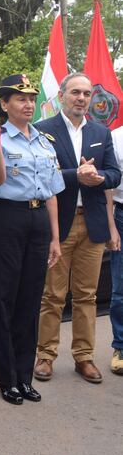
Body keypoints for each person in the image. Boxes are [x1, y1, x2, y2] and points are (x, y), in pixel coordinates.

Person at [0, 74, 64, 405]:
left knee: (30, 299)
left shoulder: (44, 141)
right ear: (4, 104)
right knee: (4, 299)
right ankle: (7, 377)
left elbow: (53, 191)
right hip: (6, 218)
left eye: (30, 98)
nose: (28, 104)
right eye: (19, 99)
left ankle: (24, 376)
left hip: (39, 220)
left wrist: (56, 237)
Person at [33, 72, 121, 384]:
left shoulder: (101, 131)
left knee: (87, 295)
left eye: (86, 93)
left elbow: (114, 174)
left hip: (94, 223)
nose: (81, 99)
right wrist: (76, 175)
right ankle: (45, 355)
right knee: (53, 294)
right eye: (75, 93)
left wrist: (99, 178)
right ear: (61, 95)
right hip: (59, 224)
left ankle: (84, 357)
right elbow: (42, 176)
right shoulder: (43, 130)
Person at [107, 127, 123, 375]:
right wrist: (111, 226)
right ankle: (121, 346)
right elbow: (108, 183)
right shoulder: (116, 136)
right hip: (122, 215)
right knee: (120, 288)